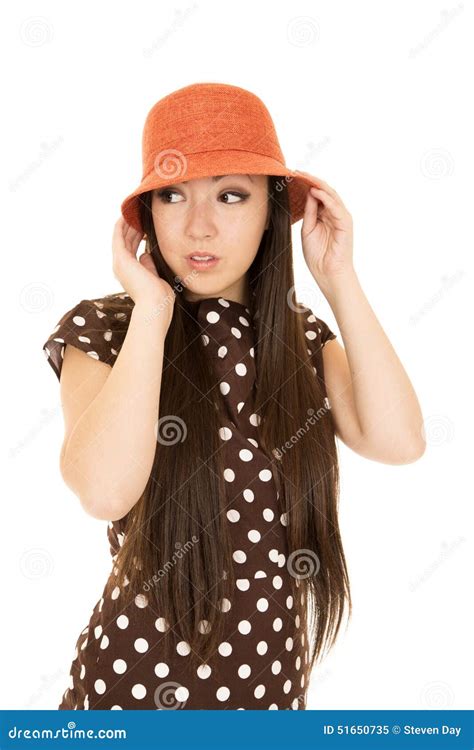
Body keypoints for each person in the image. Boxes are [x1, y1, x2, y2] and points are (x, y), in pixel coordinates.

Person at [42, 82, 425, 710]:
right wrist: (154, 308)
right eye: (172, 195)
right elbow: (104, 490)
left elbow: (400, 441)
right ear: (148, 215)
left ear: (271, 211)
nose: (199, 225)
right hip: (130, 697)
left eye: (231, 195)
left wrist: (339, 278)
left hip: (271, 698)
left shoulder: (300, 342)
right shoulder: (109, 331)